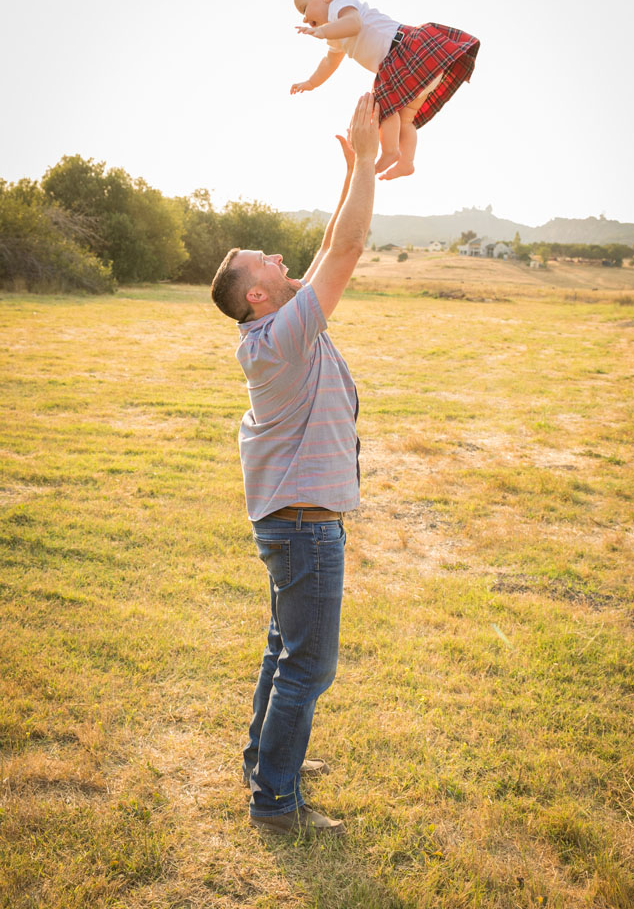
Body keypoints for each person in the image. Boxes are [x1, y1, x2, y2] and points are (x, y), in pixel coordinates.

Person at [210, 93, 379, 836]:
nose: (281, 259)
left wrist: (349, 173)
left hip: (293, 523)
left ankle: (263, 762)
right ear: (256, 292)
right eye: (265, 261)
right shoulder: (280, 338)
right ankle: (275, 802)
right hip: (307, 528)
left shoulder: (278, 323)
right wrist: (370, 160)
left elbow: (319, 255)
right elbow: (343, 253)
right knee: (309, 668)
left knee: (285, 650)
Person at [291, 0, 480, 181]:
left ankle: (391, 152)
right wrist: (311, 83)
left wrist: (323, 32)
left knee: (383, 108)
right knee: (405, 120)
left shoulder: (339, 6)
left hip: (404, 55)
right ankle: (407, 162)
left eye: (304, 8)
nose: (303, 18)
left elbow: (354, 24)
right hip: (416, 68)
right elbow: (329, 63)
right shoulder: (335, 33)